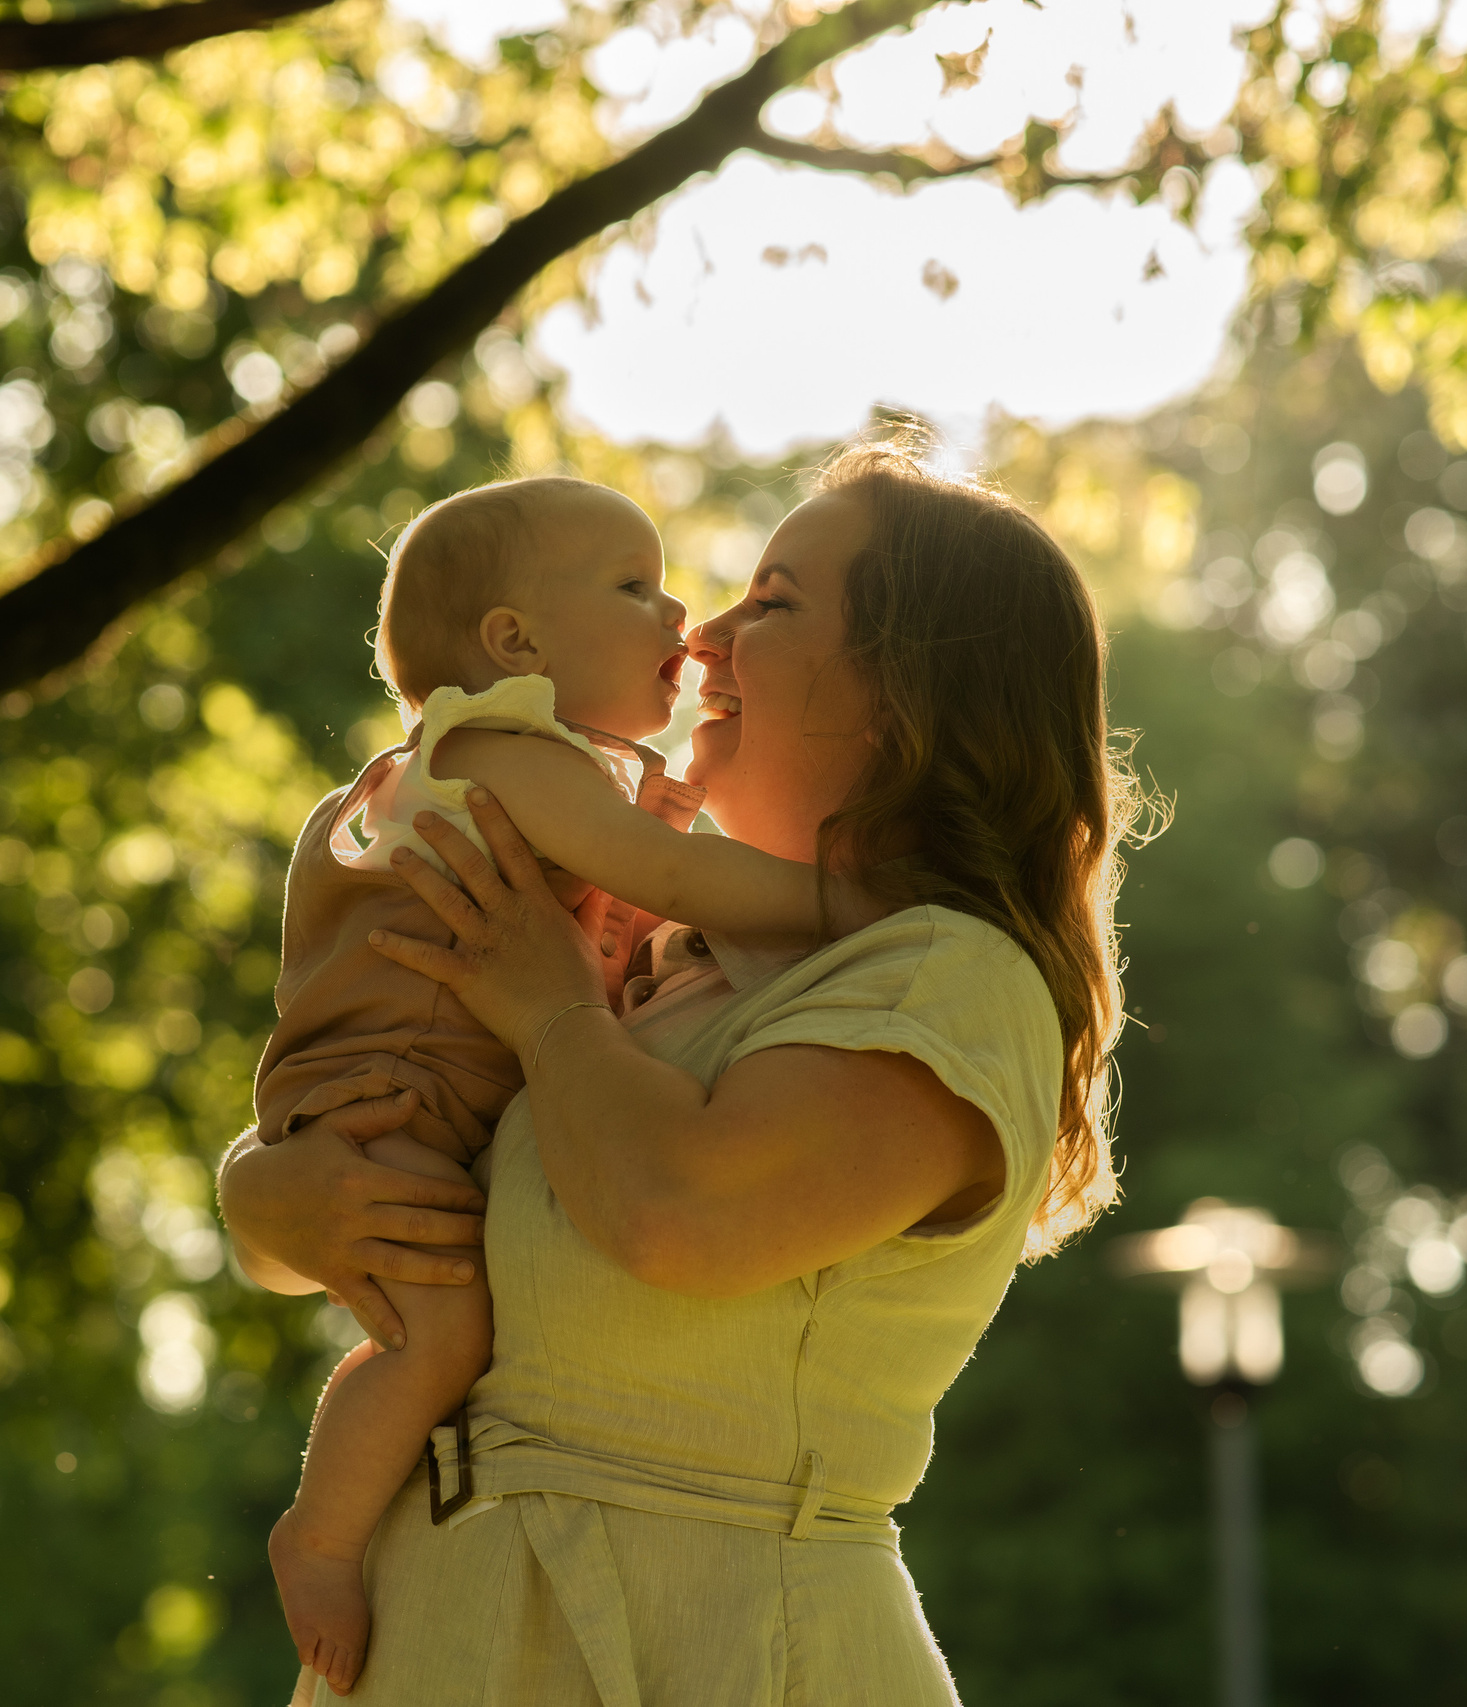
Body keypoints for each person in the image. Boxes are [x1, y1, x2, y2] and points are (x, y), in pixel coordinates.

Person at [221, 438, 1142, 1702]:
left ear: (911, 684)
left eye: (769, 604)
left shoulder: (945, 976)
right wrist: (262, 1199)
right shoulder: (652, 956)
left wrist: (549, 1010)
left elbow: (676, 1212)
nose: (699, 635)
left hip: (706, 1652)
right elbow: (397, 1189)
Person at [255, 474, 871, 1692]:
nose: (680, 618)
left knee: (443, 1320)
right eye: (635, 588)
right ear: (513, 643)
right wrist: (849, 905)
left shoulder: (542, 778)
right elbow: (659, 877)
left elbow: (612, 919)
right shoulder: (489, 750)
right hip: (393, 1098)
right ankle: (317, 1535)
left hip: (422, 1103)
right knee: (441, 1331)